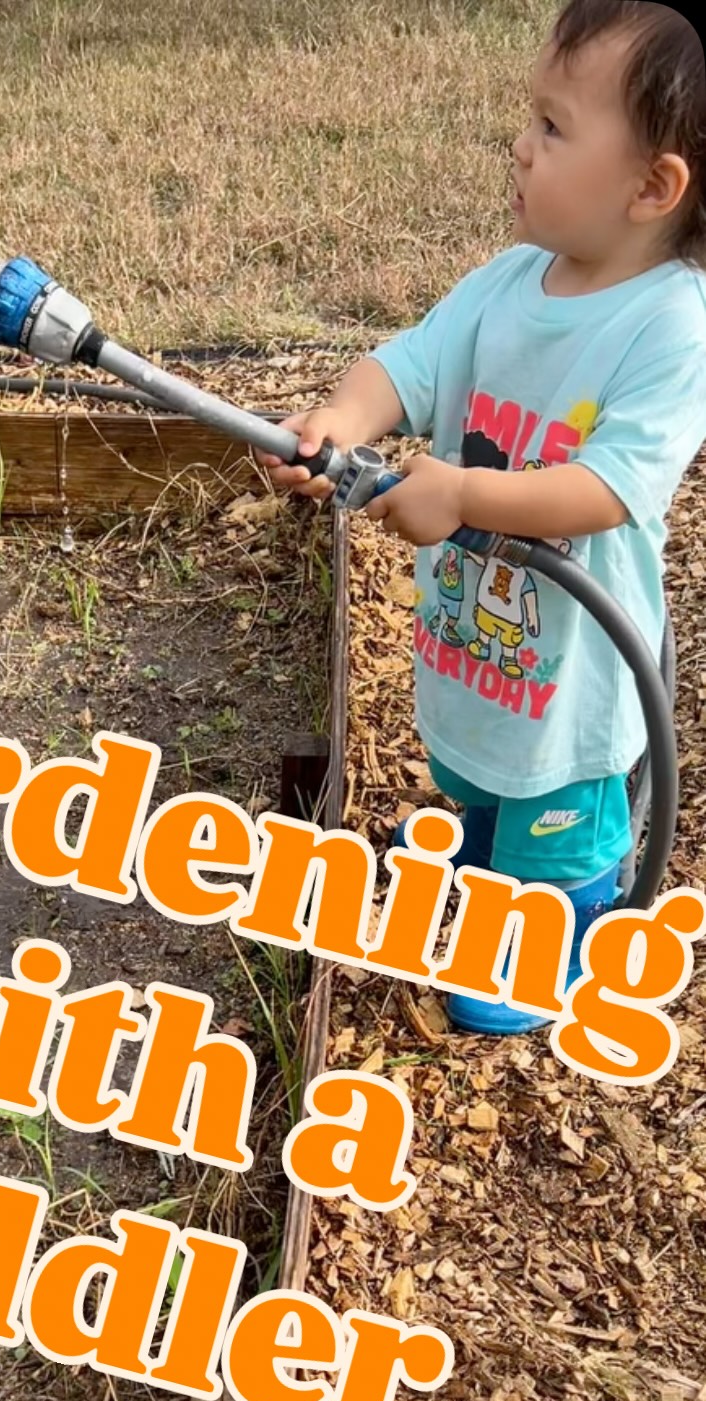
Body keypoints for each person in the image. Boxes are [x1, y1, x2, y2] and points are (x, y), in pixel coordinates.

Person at [259, 0, 706, 1035]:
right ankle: (492, 835)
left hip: (578, 690)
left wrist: (461, 492)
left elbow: (611, 486)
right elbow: (408, 364)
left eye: (553, 128)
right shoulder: (507, 284)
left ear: (653, 186)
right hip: (481, 652)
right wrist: (341, 416)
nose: (520, 143)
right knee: (479, 772)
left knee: (556, 818)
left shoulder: (670, 325)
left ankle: (559, 922)